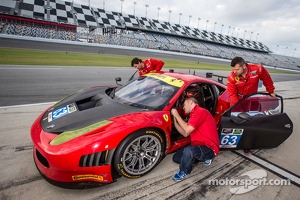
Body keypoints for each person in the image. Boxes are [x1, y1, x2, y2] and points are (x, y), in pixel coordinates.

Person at [171, 97, 220, 182]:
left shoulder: (201, 112)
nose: (183, 107)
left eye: (184, 104)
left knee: (188, 151)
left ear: (190, 102)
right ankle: (197, 158)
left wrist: (176, 115)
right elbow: (185, 133)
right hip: (197, 145)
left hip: (209, 147)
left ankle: (184, 172)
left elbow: (187, 129)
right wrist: (175, 121)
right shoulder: (193, 116)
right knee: (176, 158)